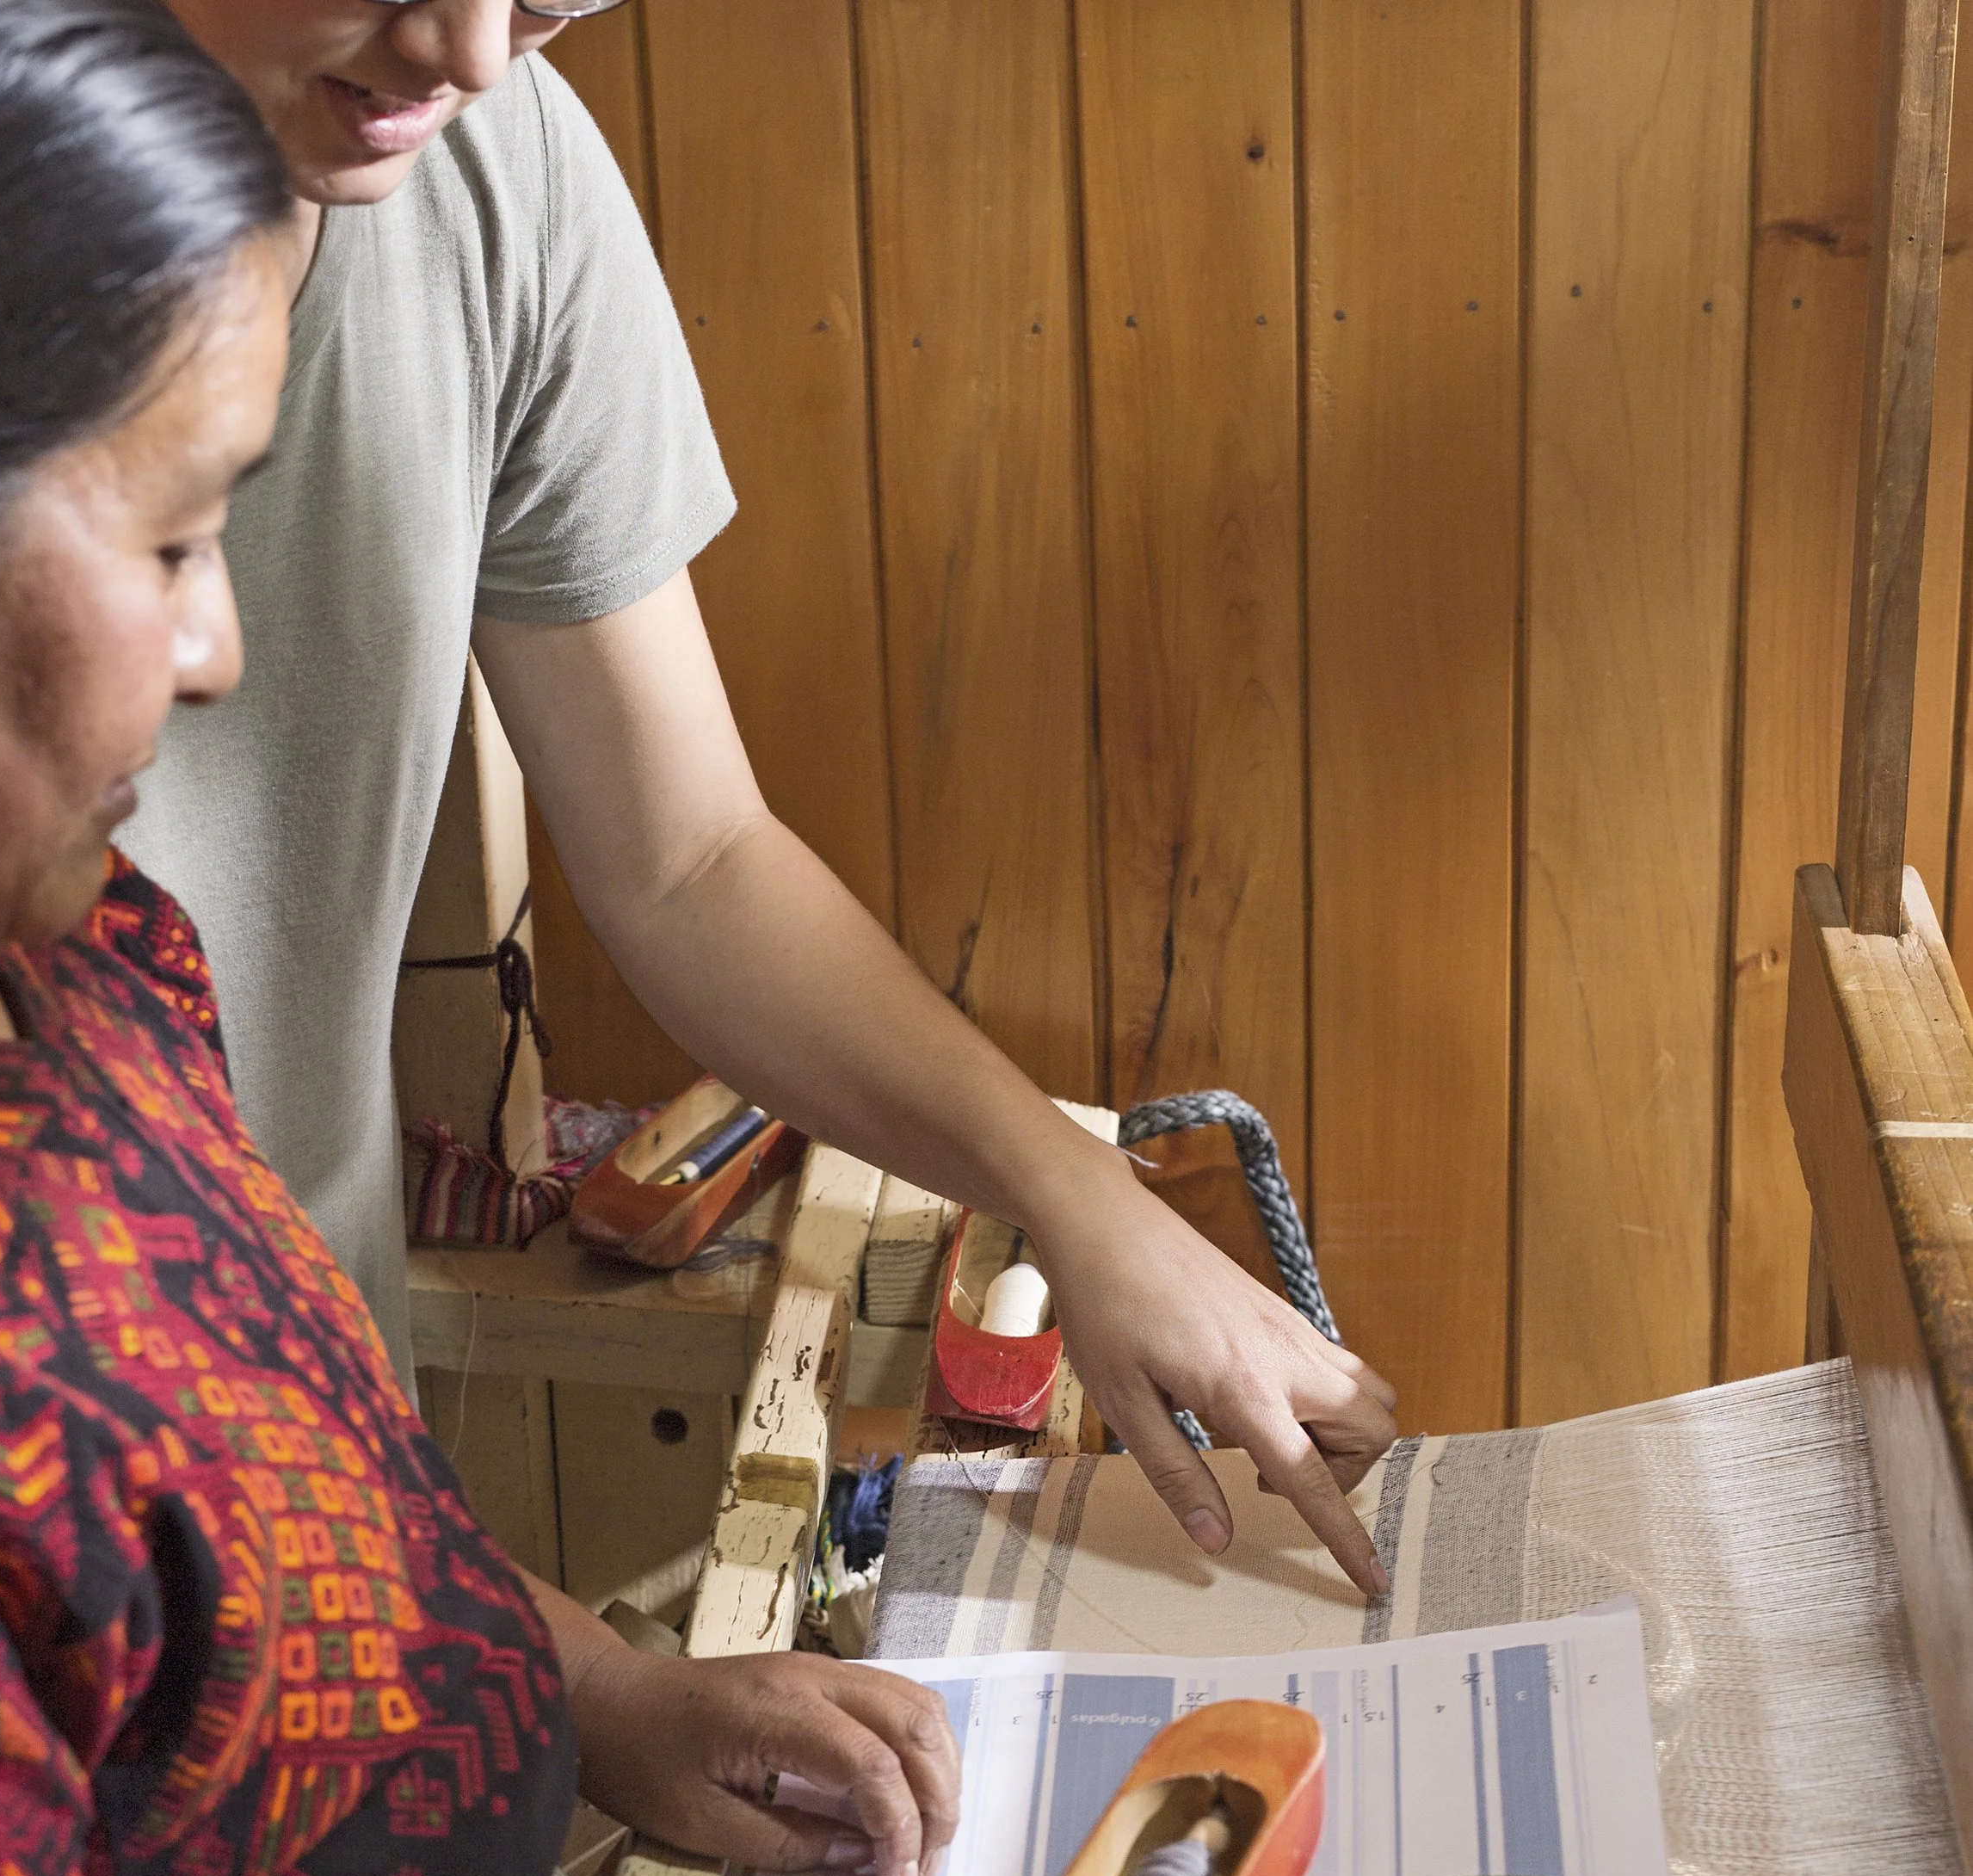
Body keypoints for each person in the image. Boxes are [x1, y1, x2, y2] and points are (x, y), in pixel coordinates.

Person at [0, 8, 1212, 1876]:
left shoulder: (53, 951)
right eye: (181, 536)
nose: (236, 656)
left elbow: (268, 1468)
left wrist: (575, 1688)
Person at [126, 0, 1402, 1598]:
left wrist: (1078, 1199)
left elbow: (692, 854)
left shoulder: (491, 166)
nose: (468, 48)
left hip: (306, 1449)